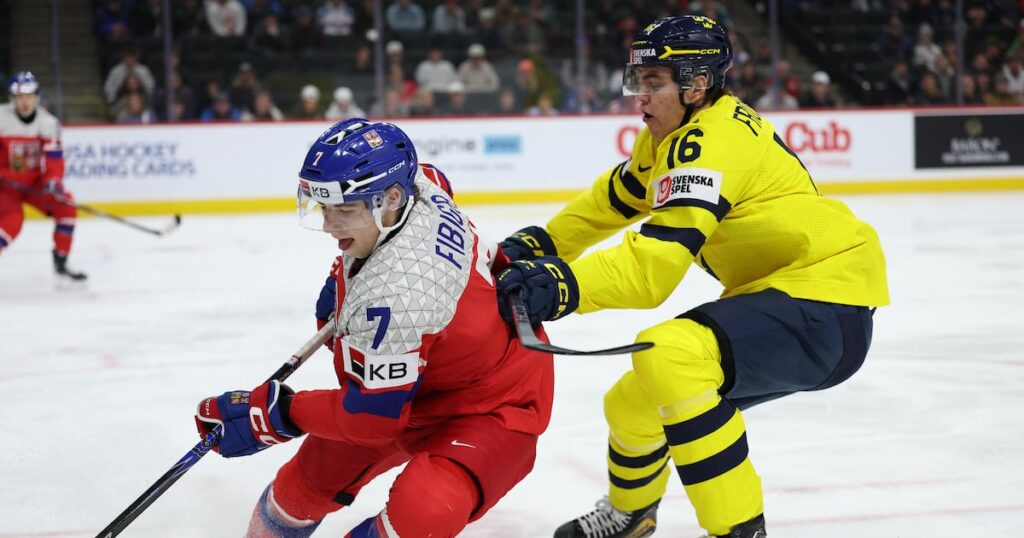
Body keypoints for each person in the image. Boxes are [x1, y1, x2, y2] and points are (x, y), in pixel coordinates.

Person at [493, 16, 889, 538]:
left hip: (827, 302)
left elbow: (649, 272)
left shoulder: (711, 140)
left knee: (672, 352)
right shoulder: (670, 136)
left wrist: (562, 285)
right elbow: (608, 202)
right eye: (637, 81)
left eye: (653, 83)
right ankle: (632, 514)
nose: (640, 96)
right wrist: (539, 246)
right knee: (632, 402)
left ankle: (739, 531)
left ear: (696, 85)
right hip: (789, 293)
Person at [194, 118, 555, 537]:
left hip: (494, 402)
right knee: (302, 486)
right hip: (420, 376)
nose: (330, 225)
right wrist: (341, 277)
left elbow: (370, 419)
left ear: (391, 199)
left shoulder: (399, 295)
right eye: (324, 208)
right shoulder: (418, 184)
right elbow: (437, 177)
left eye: (345, 210)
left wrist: (278, 413)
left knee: (427, 508)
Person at [0, 72, 86, 280]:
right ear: (12, 99)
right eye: (20, 96)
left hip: (34, 184)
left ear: (37, 97)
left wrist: (53, 182)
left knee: (66, 206)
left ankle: (61, 261)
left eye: (29, 96)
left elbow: (54, 160)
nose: (25, 101)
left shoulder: (48, 123)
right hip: (5, 187)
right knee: (12, 223)